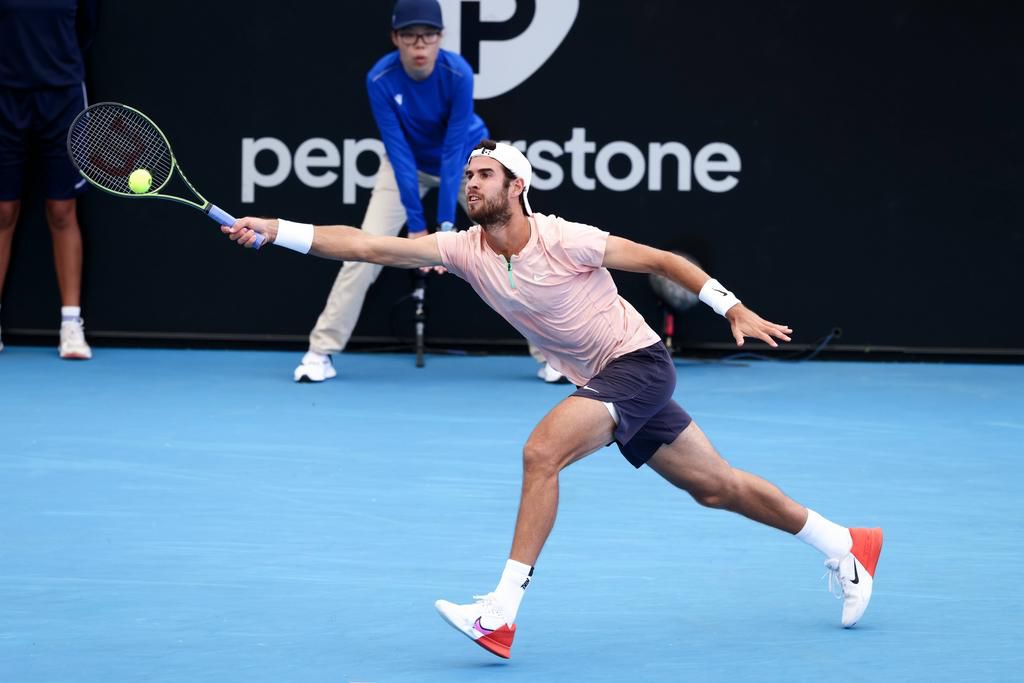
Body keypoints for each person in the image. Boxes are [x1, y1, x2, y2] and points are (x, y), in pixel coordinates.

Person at [223, 141, 884, 659]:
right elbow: (366, 242)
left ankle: (501, 613)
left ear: (518, 187)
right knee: (716, 487)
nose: (472, 183)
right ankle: (846, 544)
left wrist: (730, 305)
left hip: (637, 366)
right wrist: (274, 228)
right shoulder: (462, 249)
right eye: (468, 176)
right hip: (603, 378)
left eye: (485, 175)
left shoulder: (566, 238)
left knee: (542, 451)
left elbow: (660, 259)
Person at [291, 0, 488, 382]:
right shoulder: (380, 79)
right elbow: (397, 151)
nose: (419, 45)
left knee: (520, 247)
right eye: (410, 36)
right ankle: (320, 352)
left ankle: (552, 354)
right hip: (406, 169)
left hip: (467, 162)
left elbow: (452, 153)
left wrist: (444, 228)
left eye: (428, 35)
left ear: (440, 38)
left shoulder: (458, 73)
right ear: (395, 38)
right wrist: (417, 228)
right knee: (361, 253)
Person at [0, 0, 96, 358]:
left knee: (61, 210)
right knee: (3, 211)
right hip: (5, 97)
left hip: (62, 98)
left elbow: (86, 30)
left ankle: (71, 324)